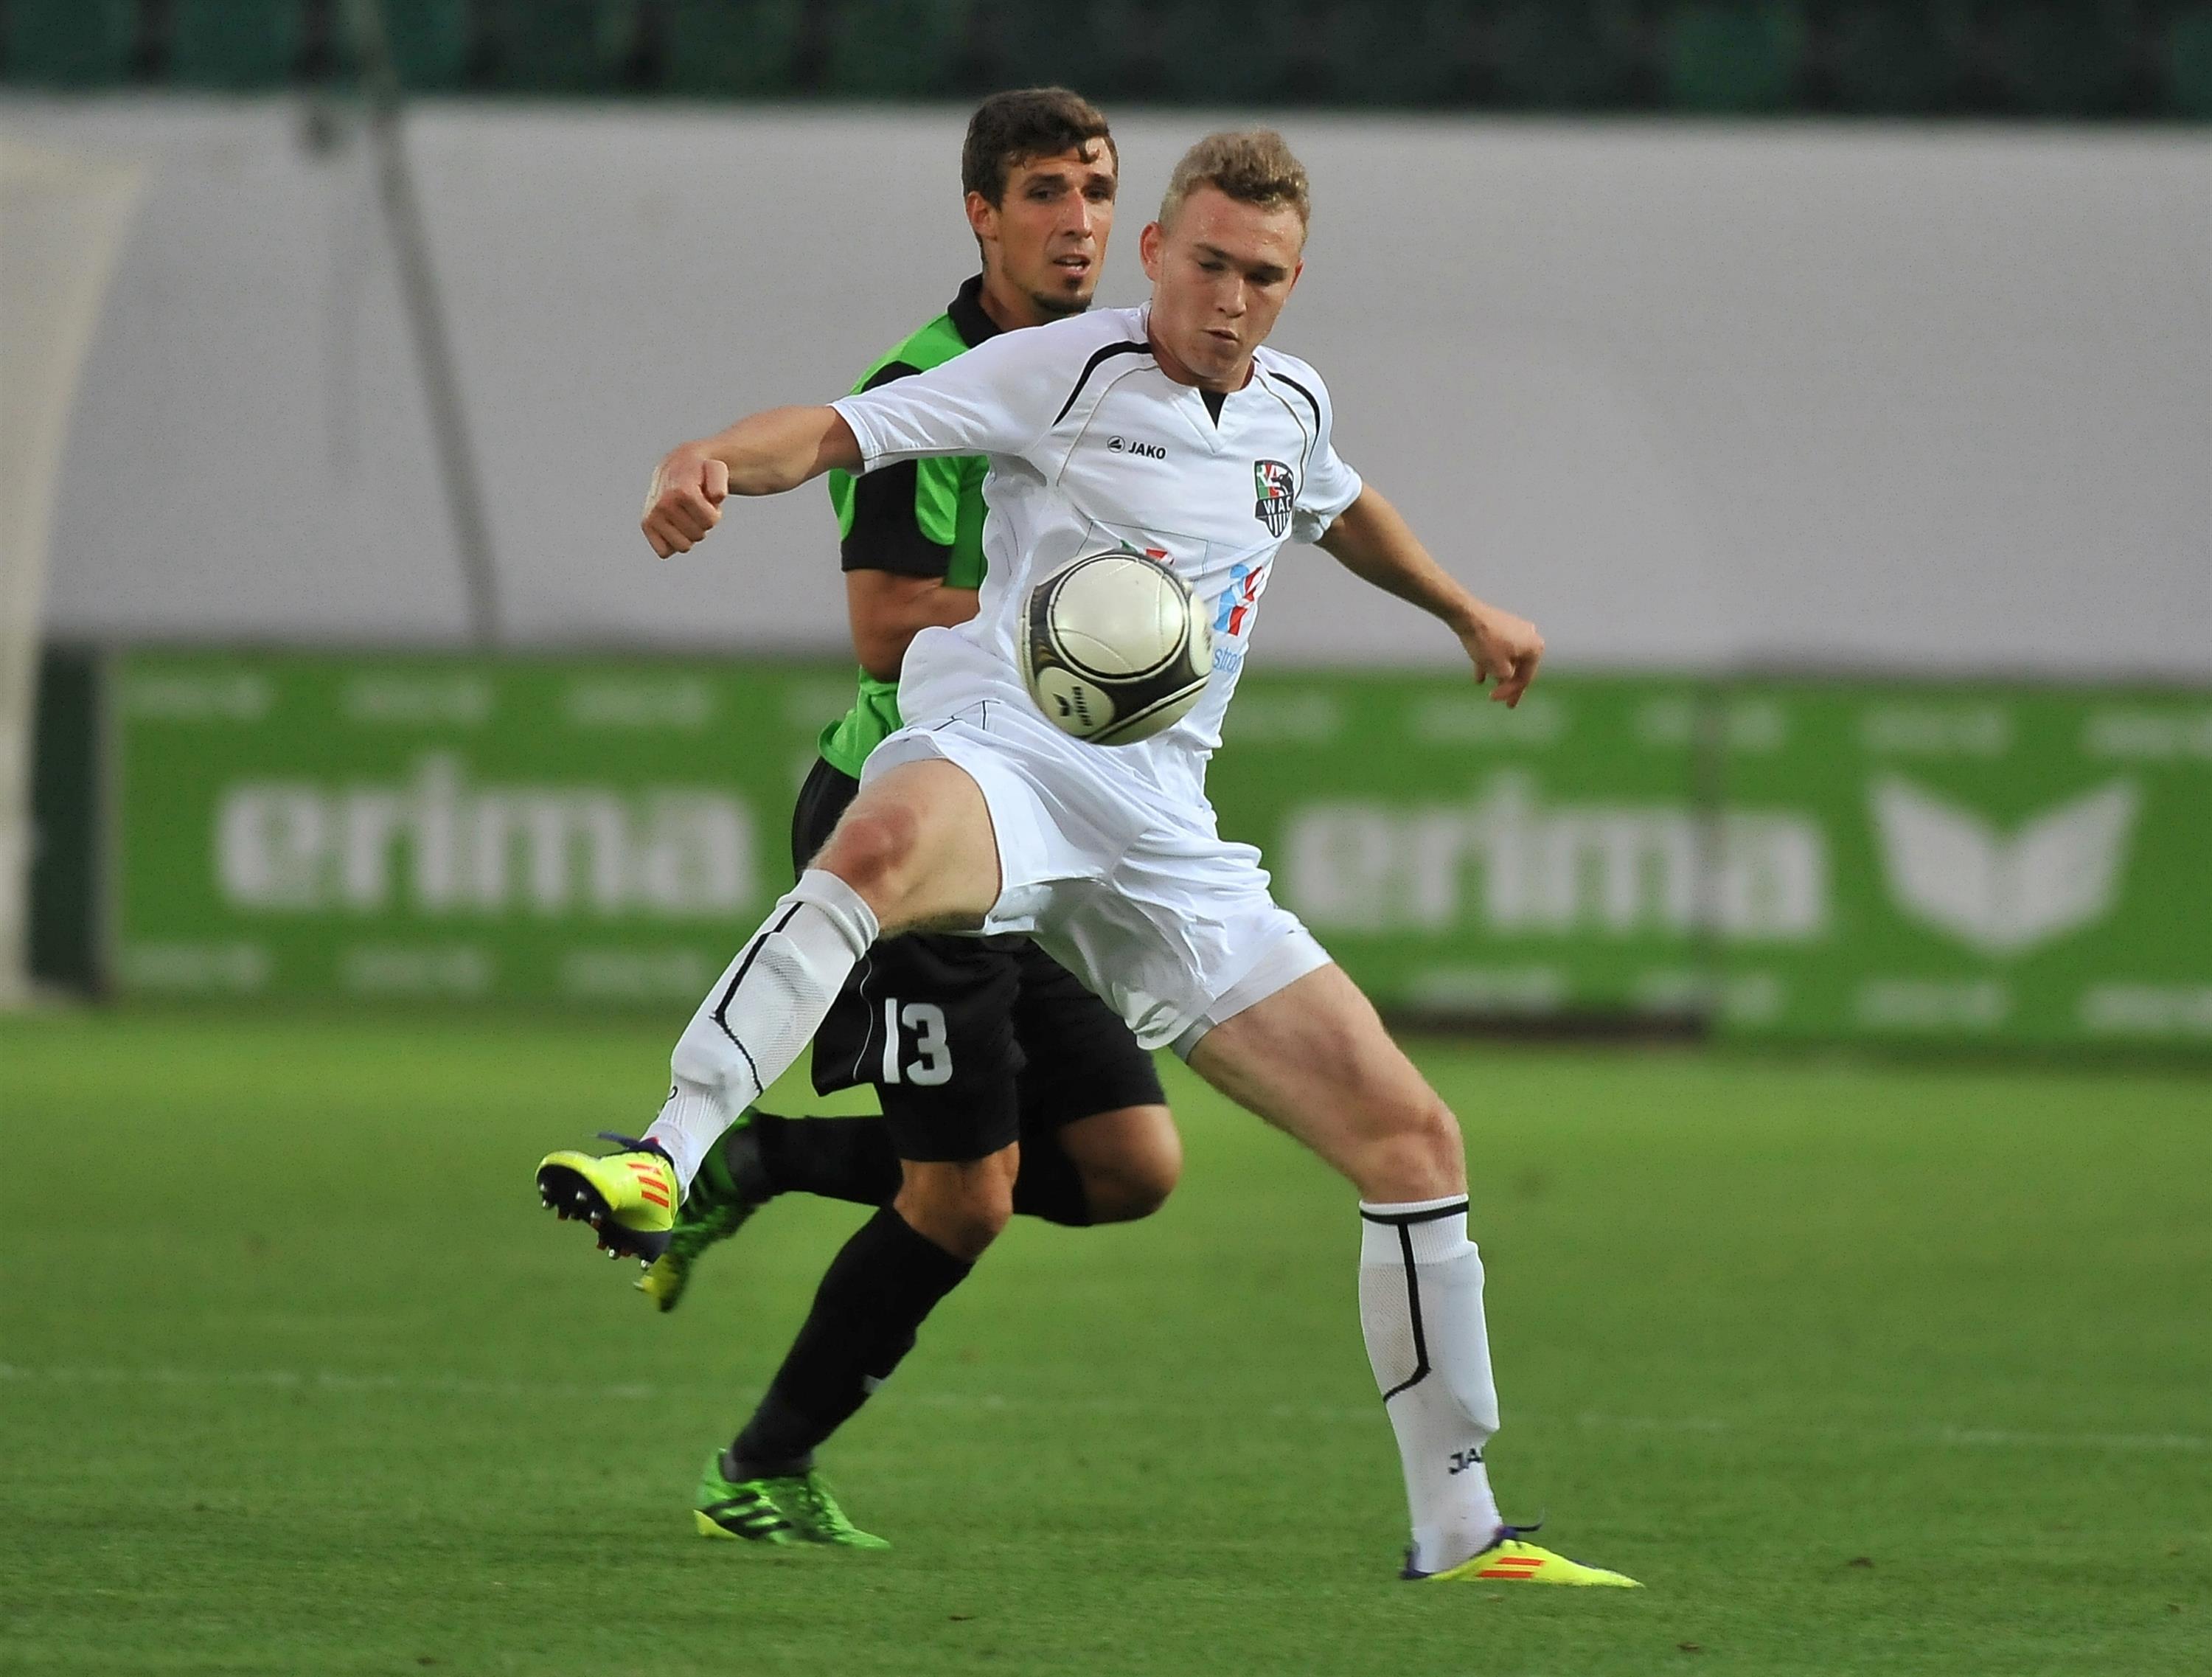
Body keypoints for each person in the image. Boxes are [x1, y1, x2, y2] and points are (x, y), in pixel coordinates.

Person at [546, 128, 1638, 1586]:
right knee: (875, 847)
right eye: (1206, 265)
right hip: (1006, 751)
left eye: (1262, 275)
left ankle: (1461, 1529)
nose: (1231, 298)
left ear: (1291, 282)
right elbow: (837, 429)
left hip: (1162, 831)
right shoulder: (1065, 370)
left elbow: (1338, 503)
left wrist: (1464, 610)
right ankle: (666, 1155)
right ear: (1156, 259)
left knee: (1412, 1139)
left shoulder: (1291, 409)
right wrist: (704, 464)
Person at [549, 88, 1183, 1551]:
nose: (1075, 218)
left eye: (1094, 187)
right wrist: (1094, 621)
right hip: (907, 821)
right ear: (982, 213)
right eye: (1041, 191)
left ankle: (761, 1159)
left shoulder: (1123, 373)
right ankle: (757, 1471)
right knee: (962, 1201)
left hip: (1033, 823)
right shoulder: (937, 386)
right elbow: (890, 629)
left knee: (1129, 1167)